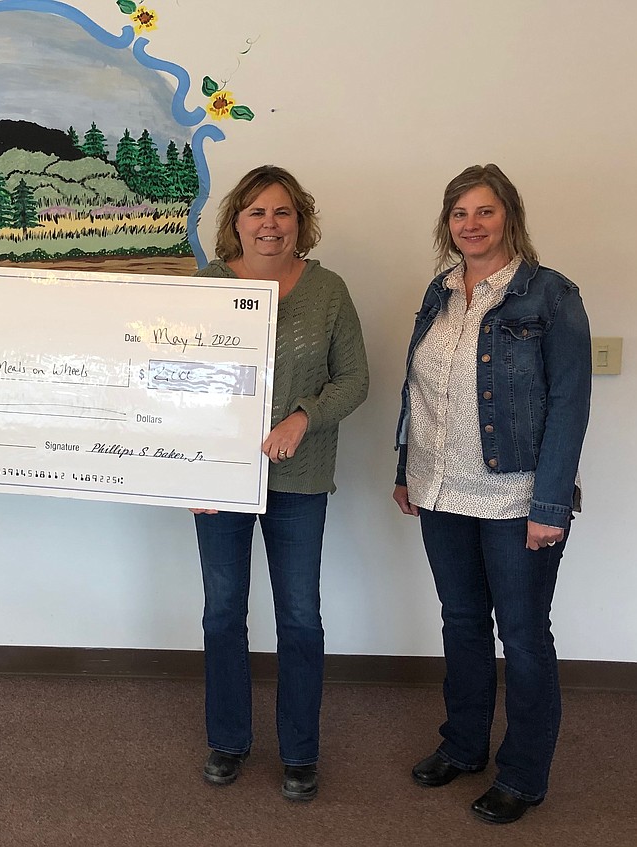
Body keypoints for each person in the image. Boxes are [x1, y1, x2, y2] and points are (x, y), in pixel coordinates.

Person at [393, 164, 591, 824]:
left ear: (510, 216)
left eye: (484, 211)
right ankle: (463, 744)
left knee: (526, 636)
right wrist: (407, 467)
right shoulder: (440, 291)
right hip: (441, 490)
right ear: (447, 224)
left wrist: (550, 503)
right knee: (462, 621)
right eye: (459, 214)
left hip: (516, 499)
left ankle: (524, 773)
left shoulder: (550, 295)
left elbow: (568, 402)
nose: (471, 224)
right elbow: (424, 390)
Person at [191, 166, 369, 800]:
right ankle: (228, 741)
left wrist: (303, 416)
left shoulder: (327, 290)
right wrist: (182, 463)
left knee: (299, 618)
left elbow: (354, 381)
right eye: (258, 212)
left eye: (284, 212)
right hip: (219, 479)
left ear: (301, 221)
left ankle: (300, 751)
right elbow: (171, 377)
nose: (271, 224)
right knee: (222, 613)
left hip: (300, 477)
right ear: (235, 221)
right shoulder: (208, 285)